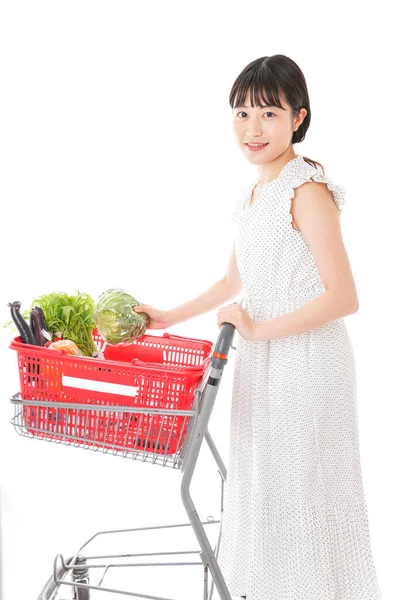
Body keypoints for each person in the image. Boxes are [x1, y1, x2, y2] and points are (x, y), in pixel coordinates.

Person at [134, 54, 382, 600]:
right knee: (263, 489)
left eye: (269, 113)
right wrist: (168, 316)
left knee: (303, 491)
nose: (252, 128)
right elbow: (233, 281)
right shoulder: (254, 195)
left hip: (310, 362)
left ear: (299, 117)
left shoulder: (307, 189)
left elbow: (345, 297)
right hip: (261, 360)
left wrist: (256, 329)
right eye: (242, 113)